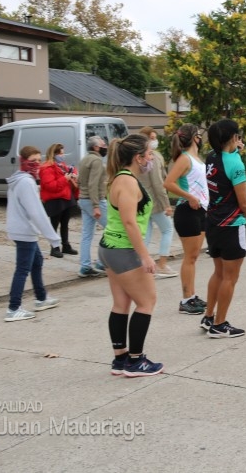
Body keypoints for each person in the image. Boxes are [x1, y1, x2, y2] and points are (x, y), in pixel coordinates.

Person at [99, 134, 163, 377]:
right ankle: (135, 361)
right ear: (138, 157)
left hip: (112, 249)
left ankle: (120, 358)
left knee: (121, 304)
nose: (151, 159)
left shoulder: (121, 178)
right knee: (147, 302)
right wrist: (145, 256)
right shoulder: (127, 181)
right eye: (148, 154)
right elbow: (128, 221)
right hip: (122, 251)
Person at [202, 119, 246, 337]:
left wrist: (236, 152)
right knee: (230, 277)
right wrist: (245, 214)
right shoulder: (236, 164)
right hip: (232, 224)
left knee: (219, 273)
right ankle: (220, 325)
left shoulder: (211, 157)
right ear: (234, 137)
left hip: (213, 221)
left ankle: (209, 316)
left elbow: (227, 161)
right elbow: (244, 202)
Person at [4, 146, 61, 322]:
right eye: (33, 161)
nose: (36, 164)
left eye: (39, 160)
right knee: (22, 269)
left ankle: (41, 298)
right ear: (23, 161)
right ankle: (13, 308)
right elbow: (36, 212)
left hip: (21, 229)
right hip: (24, 231)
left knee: (37, 262)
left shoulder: (20, 179)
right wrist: (53, 237)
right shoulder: (26, 182)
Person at [163, 124, 208, 315]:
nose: (201, 138)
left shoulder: (197, 158)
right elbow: (168, 183)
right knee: (189, 257)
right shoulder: (184, 158)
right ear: (195, 138)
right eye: (199, 134)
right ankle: (186, 300)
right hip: (187, 211)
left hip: (201, 210)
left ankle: (192, 295)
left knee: (194, 256)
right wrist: (189, 197)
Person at [137, 127, 178, 279]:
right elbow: (158, 183)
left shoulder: (139, 158)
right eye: (152, 138)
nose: (155, 141)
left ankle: (142, 265)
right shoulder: (152, 158)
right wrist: (166, 204)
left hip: (142, 202)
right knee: (167, 229)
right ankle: (162, 264)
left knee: (145, 234)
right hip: (154, 202)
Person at [39, 143, 78, 257]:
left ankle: (65, 245)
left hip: (65, 197)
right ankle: (54, 247)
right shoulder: (47, 168)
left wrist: (72, 175)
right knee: (54, 224)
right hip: (55, 199)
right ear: (54, 154)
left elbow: (70, 171)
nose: (63, 155)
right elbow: (50, 186)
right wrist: (64, 179)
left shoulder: (60, 165)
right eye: (61, 153)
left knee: (65, 224)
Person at [77, 136, 108, 278]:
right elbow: (93, 184)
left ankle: (85, 266)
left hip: (83, 199)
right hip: (94, 200)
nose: (105, 146)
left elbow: (80, 181)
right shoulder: (96, 161)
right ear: (96, 147)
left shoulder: (85, 159)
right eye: (103, 144)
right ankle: (101, 262)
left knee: (87, 234)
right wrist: (96, 205)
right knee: (112, 229)